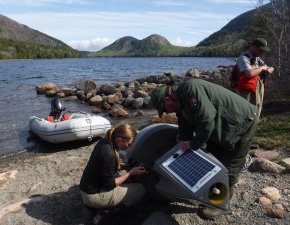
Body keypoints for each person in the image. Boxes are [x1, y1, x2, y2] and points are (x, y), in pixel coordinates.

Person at [150, 78, 258, 220]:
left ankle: (221, 205)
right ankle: (212, 192)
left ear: (168, 100)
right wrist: (182, 144)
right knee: (213, 159)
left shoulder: (190, 90)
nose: (166, 113)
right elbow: (184, 129)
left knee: (231, 164)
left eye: (164, 109)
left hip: (244, 121)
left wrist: (193, 144)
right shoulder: (181, 104)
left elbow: (207, 120)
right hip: (221, 125)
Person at [79, 124, 146, 225]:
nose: (129, 147)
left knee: (126, 181)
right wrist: (131, 173)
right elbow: (109, 184)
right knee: (140, 189)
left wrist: (125, 166)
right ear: (119, 140)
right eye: (129, 144)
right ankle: (111, 212)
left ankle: (100, 206)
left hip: (87, 189)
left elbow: (106, 167)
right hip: (92, 197)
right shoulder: (109, 155)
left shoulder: (105, 142)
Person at [235, 37, 274, 118]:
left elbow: (270, 68)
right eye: (260, 50)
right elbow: (249, 73)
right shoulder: (243, 58)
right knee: (246, 113)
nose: (262, 52)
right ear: (254, 47)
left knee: (257, 111)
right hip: (247, 92)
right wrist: (262, 68)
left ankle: (253, 127)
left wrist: (271, 69)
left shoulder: (257, 59)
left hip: (258, 89)